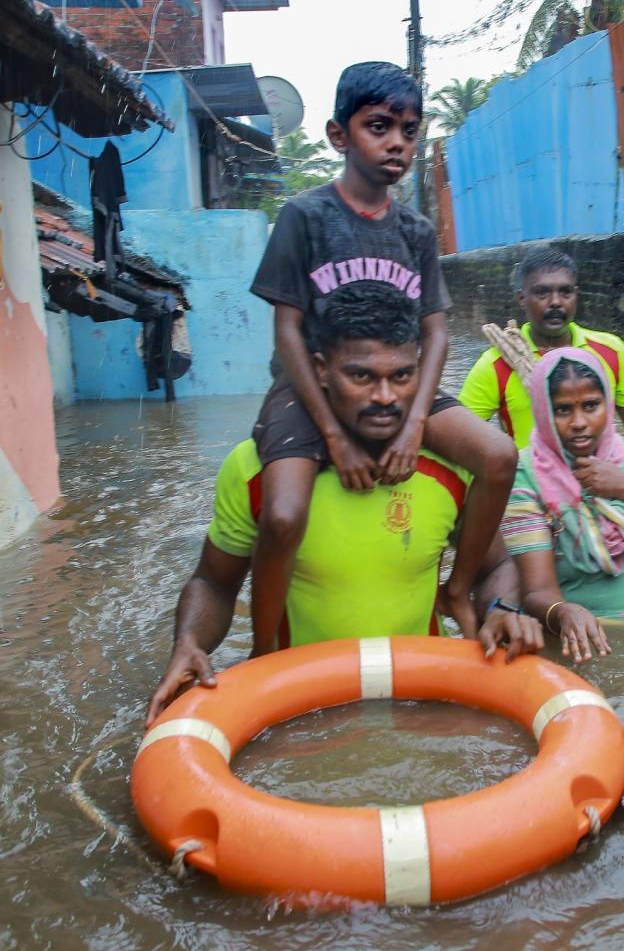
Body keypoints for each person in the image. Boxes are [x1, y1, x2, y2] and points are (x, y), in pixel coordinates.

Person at [146, 289, 542, 726]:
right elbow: (215, 584)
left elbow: (496, 566)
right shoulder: (259, 473)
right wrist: (188, 641)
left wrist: (501, 609)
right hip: (298, 713)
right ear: (321, 371)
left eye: (403, 376)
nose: (386, 397)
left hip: (424, 704)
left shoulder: (454, 468)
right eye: (361, 376)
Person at [248, 61, 516, 655]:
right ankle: (263, 649)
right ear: (339, 135)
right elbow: (288, 330)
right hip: (311, 385)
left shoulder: (416, 230)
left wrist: (417, 419)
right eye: (379, 127)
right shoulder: (305, 217)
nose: (397, 142)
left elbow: (437, 332)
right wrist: (333, 437)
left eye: (410, 130)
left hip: (397, 380)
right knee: (286, 513)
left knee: (498, 455)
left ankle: (459, 587)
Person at [500, 347, 624, 664]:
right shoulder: (525, 477)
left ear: (608, 405)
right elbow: (536, 591)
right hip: (591, 636)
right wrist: (563, 611)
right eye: (563, 410)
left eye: (591, 406)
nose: (579, 422)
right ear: (543, 411)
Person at [460, 246, 624, 448]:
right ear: (522, 299)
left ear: (576, 295)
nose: (555, 302)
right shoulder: (496, 364)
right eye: (542, 293)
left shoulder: (612, 352)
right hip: (531, 478)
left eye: (565, 292)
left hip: (603, 476)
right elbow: (458, 437)